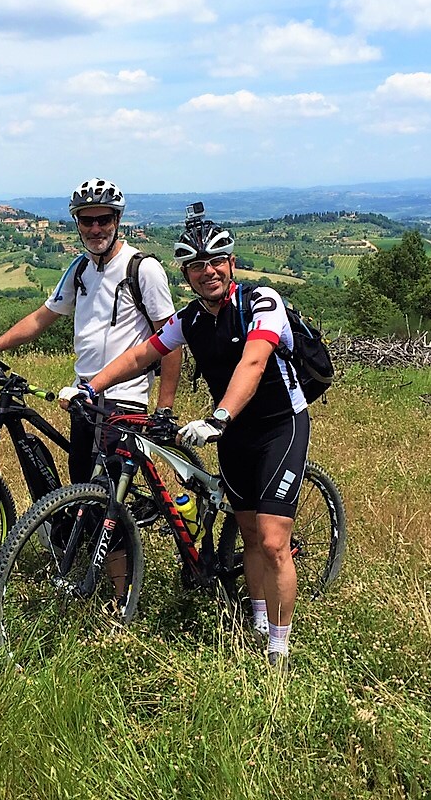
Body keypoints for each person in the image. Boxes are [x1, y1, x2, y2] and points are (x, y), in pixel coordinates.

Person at [66, 205, 310, 671]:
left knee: (275, 541)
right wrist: (89, 387)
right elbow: (142, 355)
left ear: (231, 264)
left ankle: (279, 651)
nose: (208, 272)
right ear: (187, 274)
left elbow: (253, 363)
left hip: (281, 427)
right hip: (235, 434)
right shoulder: (192, 319)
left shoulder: (261, 301)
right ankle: (259, 621)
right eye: (197, 266)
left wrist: (217, 417)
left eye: (216, 261)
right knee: (252, 537)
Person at [0, 178, 180, 485]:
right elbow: (40, 319)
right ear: (77, 223)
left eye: (103, 219)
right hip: (84, 395)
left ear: (117, 220)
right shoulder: (79, 269)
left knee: (105, 497)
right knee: (80, 486)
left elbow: (171, 339)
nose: (96, 229)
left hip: (124, 398)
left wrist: (164, 408)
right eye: (87, 220)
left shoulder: (142, 268)